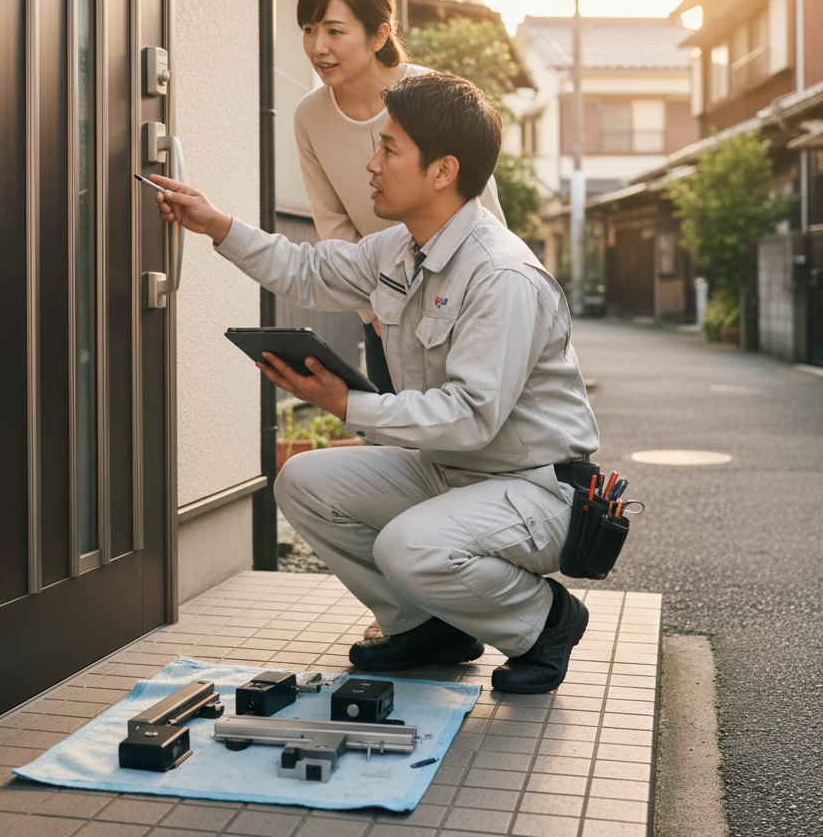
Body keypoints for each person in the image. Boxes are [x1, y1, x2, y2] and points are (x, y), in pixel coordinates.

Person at [151, 71, 599, 694]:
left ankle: (545, 621)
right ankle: (432, 626)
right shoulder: (400, 247)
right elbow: (307, 270)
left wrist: (346, 403)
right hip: (450, 472)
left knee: (408, 546)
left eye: (389, 150)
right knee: (303, 480)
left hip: (533, 489)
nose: (371, 163)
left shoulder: (501, 276)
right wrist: (216, 224)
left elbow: (472, 415)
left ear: (442, 172)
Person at [294, 0, 506, 394]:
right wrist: (374, 309)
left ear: (378, 34)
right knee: (394, 444)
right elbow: (332, 225)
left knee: (469, 435)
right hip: (382, 305)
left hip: (460, 298)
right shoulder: (309, 116)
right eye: (309, 29)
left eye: (335, 31)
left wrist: (490, 295)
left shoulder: (432, 95)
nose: (318, 47)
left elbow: (483, 209)